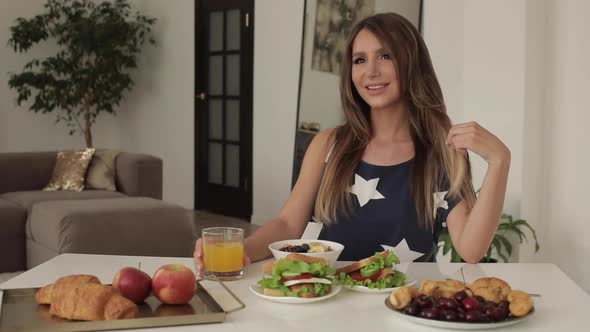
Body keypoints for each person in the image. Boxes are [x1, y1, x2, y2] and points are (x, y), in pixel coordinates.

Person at [194, 12, 510, 275]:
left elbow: (470, 250)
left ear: (411, 63)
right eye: (360, 60)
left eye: (385, 56)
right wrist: (241, 250)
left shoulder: (442, 152)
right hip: (330, 303)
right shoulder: (329, 145)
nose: (370, 71)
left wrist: (499, 161)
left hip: (407, 309)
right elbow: (288, 223)